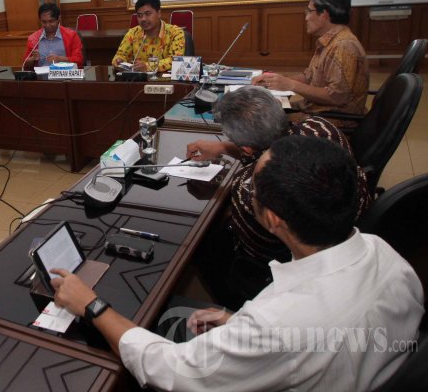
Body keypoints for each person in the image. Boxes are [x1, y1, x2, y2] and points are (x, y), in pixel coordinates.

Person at [52, 135, 424, 391]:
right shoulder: (385, 254)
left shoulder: (277, 325)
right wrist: (238, 326)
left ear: (274, 219)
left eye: (253, 185)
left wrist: (92, 305)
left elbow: (169, 371)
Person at [185, 86, 371, 304]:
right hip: (353, 233)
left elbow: (259, 252)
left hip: (292, 273)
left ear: (247, 149)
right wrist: (226, 147)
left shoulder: (251, 190)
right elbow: (270, 153)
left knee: (201, 240)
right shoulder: (321, 127)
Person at [252, 0, 368, 119]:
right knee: (261, 109)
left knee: (258, 119)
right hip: (314, 109)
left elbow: (336, 97)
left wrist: (291, 85)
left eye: (309, 11)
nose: (306, 18)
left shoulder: (343, 46)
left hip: (332, 119)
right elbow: (309, 77)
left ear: (324, 14)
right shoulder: (330, 41)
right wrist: (274, 80)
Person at [111, 0, 185, 73]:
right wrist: (119, 61)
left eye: (148, 14)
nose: (143, 19)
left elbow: (176, 60)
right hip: (138, 79)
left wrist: (148, 66)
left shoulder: (175, 33)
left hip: (165, 80)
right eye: (139, 15)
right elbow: (120, 55)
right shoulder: (133, 33)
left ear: (159, 13)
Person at [22, 3, 83, 68]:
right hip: (41, 74)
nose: (47, 25)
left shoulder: (71, 36)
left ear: (58, 19)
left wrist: (60, 59)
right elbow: (25, 65)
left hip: (65, 74)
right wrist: (32, 59)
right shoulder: (33, 39)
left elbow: (79, 60)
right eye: (44, 22)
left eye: (51, 21)